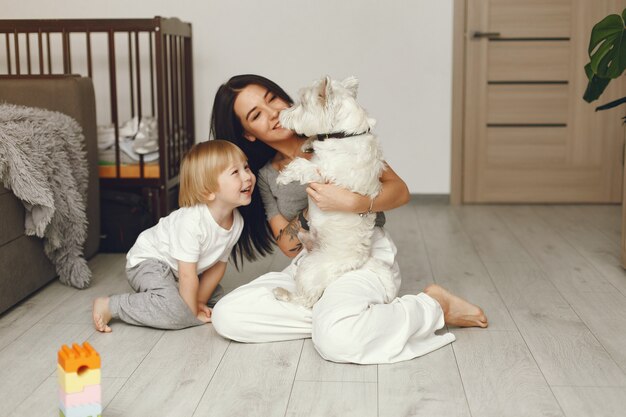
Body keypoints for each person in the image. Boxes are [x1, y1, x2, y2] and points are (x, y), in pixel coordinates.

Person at [209, 74, 487, 364]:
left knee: (338, 342)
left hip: (362, 258)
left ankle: (433, 306)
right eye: (256, 115)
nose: (273, 113)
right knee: (228, 316)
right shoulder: (265, 175)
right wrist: (312, 209)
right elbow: (289, 247)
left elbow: (400, 191)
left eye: (271, 99)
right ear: (248, 134)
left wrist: (355, 202)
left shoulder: (336, 136)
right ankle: (341, 317)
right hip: (313, 263)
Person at [92, 140, 255, 332]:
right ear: (208, 191)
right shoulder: (192, 221)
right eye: (236, 172)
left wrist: (200, 301)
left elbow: (218, 266)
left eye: (246, 167)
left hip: (179, 271)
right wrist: (191, 312)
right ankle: (111, 305)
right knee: (178, 313)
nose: (248, 176)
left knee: (218, 298)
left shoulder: (237, 222)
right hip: (147, 262)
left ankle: (170, 299)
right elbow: (187, 274)